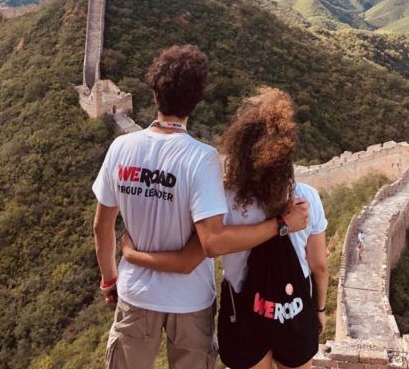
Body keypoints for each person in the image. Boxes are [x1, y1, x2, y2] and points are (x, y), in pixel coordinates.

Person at [93, 46, 309, 369]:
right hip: (190, 303)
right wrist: (281, 224)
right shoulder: (201, 158)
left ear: (154, 94)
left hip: (135, 296)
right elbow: (209, 244)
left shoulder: (120, 148)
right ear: (196, 100)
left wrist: (110, 278)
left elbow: (102, 227)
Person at [123, 86, 329, 369]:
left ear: (241, 150)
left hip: (243, 315)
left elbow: (200, 251)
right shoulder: (308, 200)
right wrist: (319, 309)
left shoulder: (224, 201)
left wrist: (132, 255)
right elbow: (319, 266)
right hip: (291, 312)